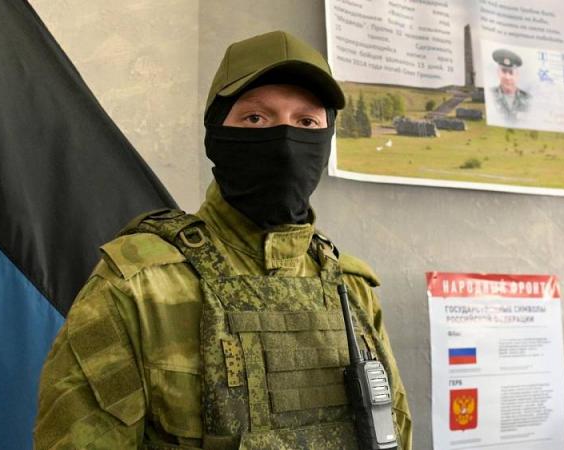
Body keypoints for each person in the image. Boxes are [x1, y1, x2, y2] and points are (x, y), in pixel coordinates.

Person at [33, 30, 412, 449]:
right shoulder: (137, 287)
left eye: (306, 122)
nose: (285, 143)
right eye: (256, 119)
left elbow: (395, 431)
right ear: (216, 135)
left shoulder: (352, 288)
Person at [489, 48, 530, 122]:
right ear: (498, 72)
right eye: (504, 71)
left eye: (511, 72)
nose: (507, 77)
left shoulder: (528, 99)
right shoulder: (489, 95)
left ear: (517, 75)